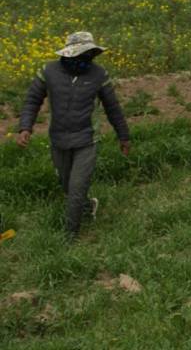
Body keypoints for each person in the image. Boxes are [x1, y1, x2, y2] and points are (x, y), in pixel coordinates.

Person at [17, 32, 132, 237]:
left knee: (77, 187)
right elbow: (32, 100)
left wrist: (123, 136)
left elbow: (112, 107)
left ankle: (70, 237)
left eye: (89, 54)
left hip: (87, 139)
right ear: (69, 54)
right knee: (67, 186)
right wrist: (25, 127)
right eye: (82, 54)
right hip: (58, 139)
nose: (86, 59)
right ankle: (88, 206)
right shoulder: (49, 71)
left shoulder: (99, 74)